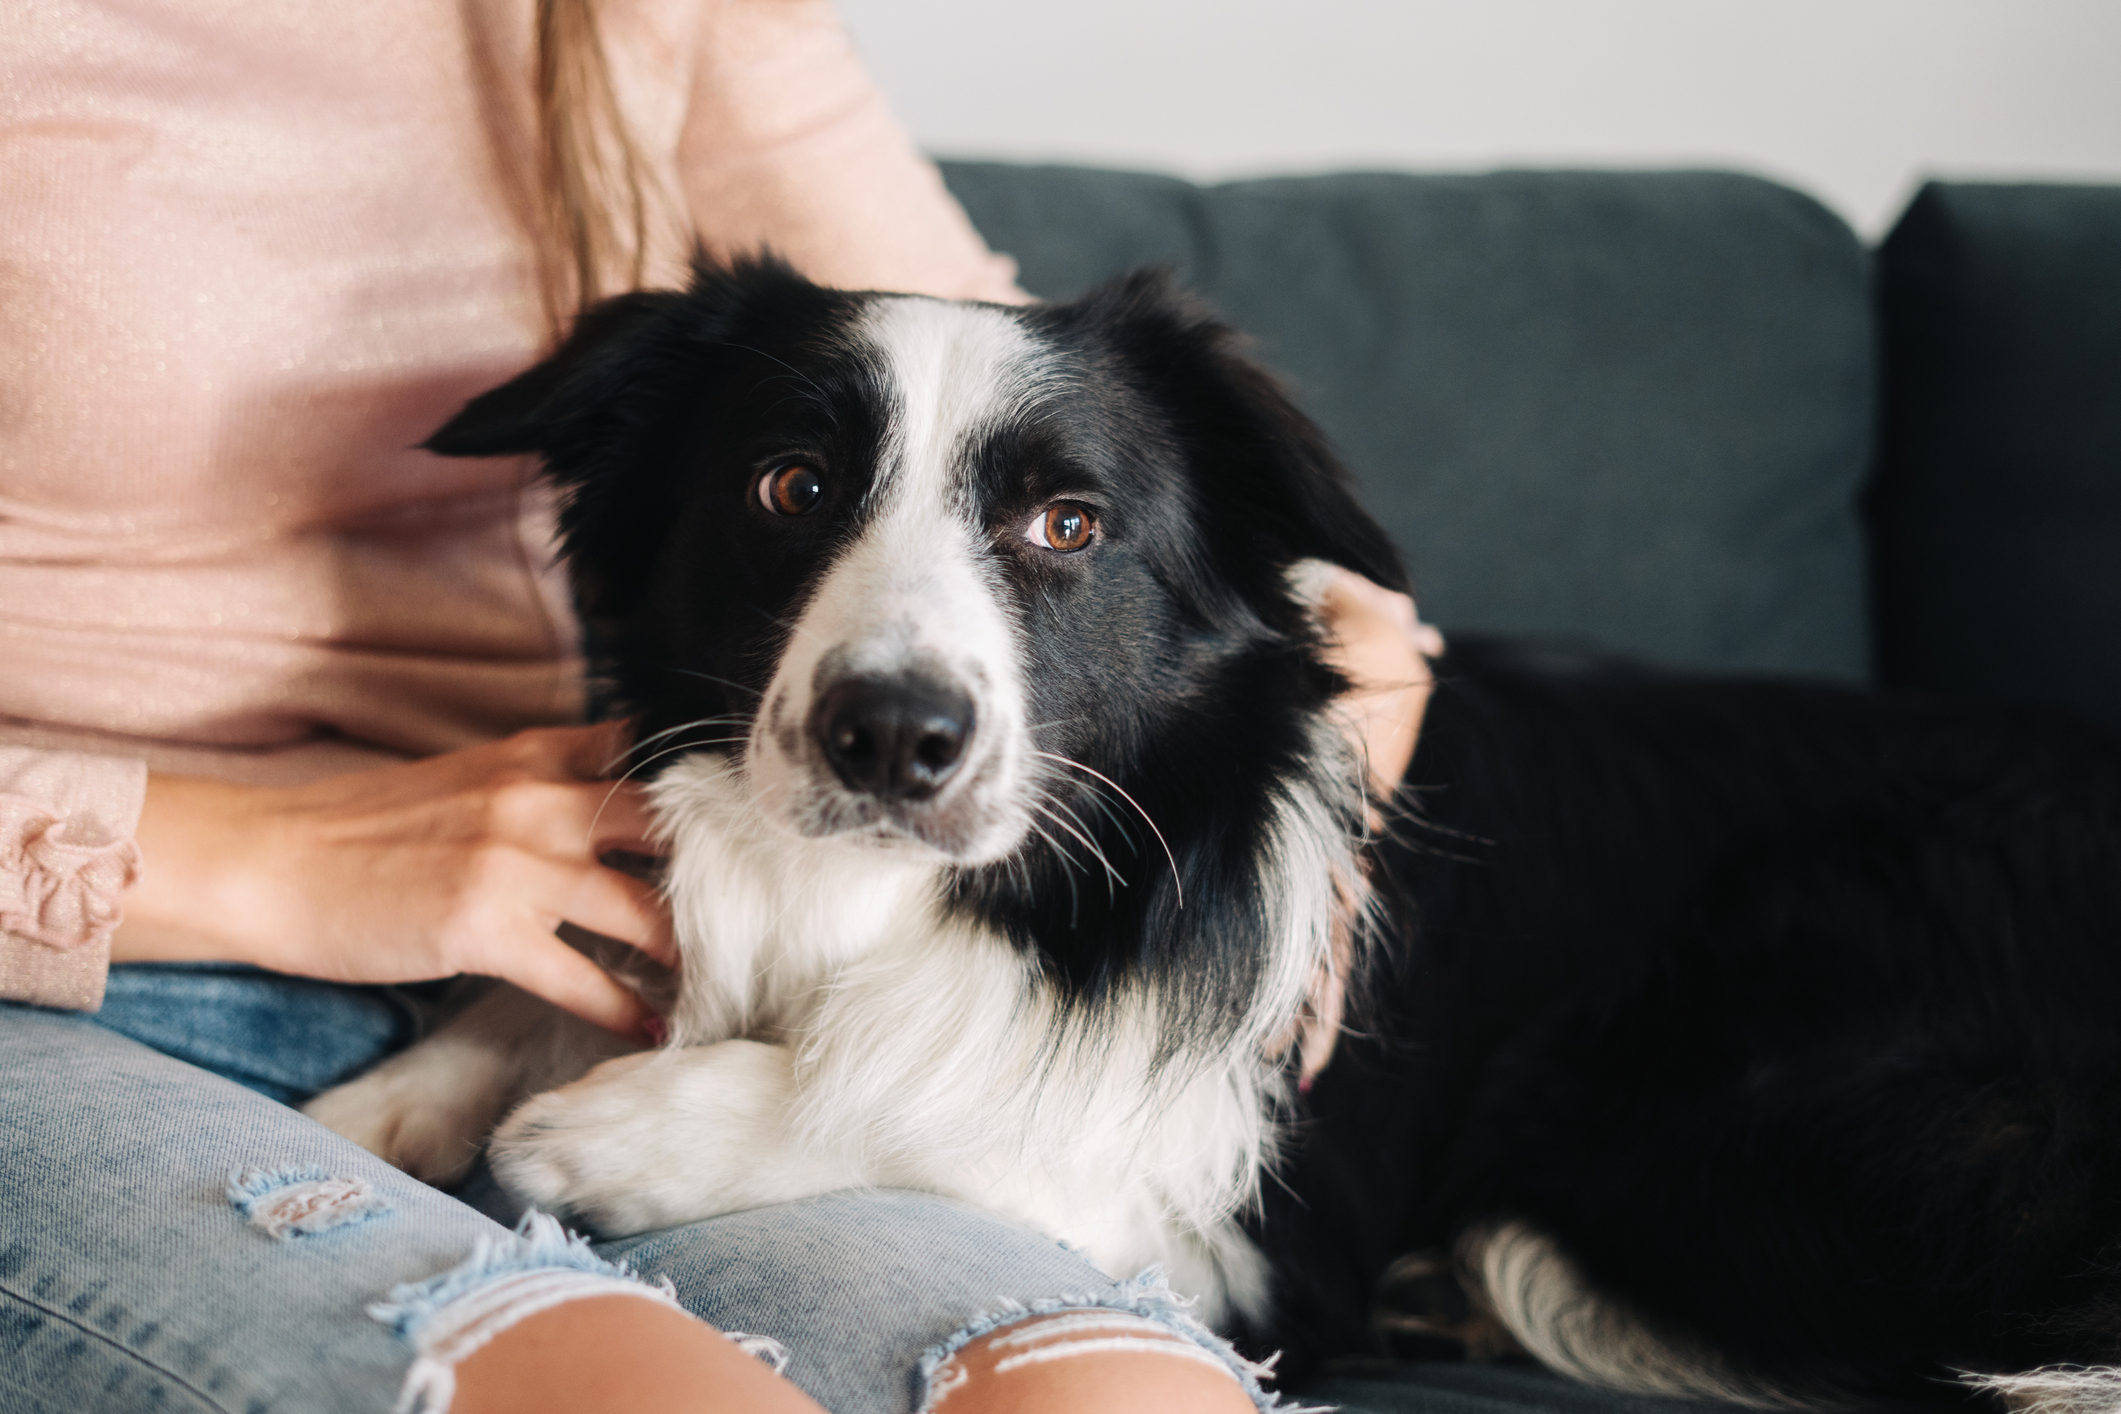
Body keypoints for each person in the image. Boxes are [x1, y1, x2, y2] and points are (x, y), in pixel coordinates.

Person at [0, 2, 1433, 1411]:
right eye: (798, 495)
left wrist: (1286, 854)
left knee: (1103, 1397)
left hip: (646, 967)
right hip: (100, 998)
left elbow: (1000, 387)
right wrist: (262, 861)